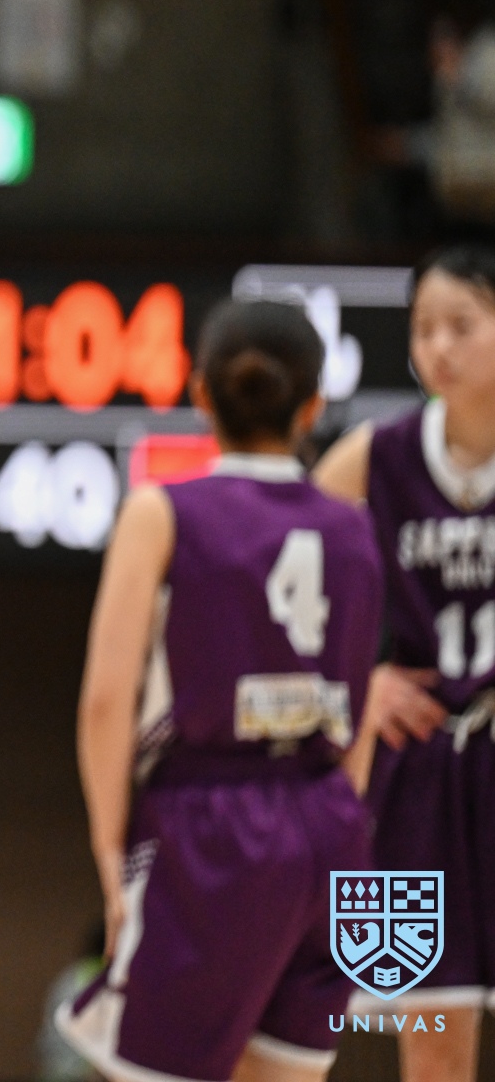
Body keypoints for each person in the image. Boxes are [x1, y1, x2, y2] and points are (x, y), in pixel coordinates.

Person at [57, 300, 381, 1082]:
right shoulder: (355, 527)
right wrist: (341, 813)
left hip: (209, 827)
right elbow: (365, 697)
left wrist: (109, 848)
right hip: (331, 828)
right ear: (313, 406)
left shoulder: (161, 512)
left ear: (200, 392)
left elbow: (105, 701)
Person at [315, 246, 495, 1082]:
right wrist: (358, 682)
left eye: (462, 325)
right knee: (430, 1041)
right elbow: (282, 566)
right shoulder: (377, 453)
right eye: (424, 329)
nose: (438, 347)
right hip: (414, 769)